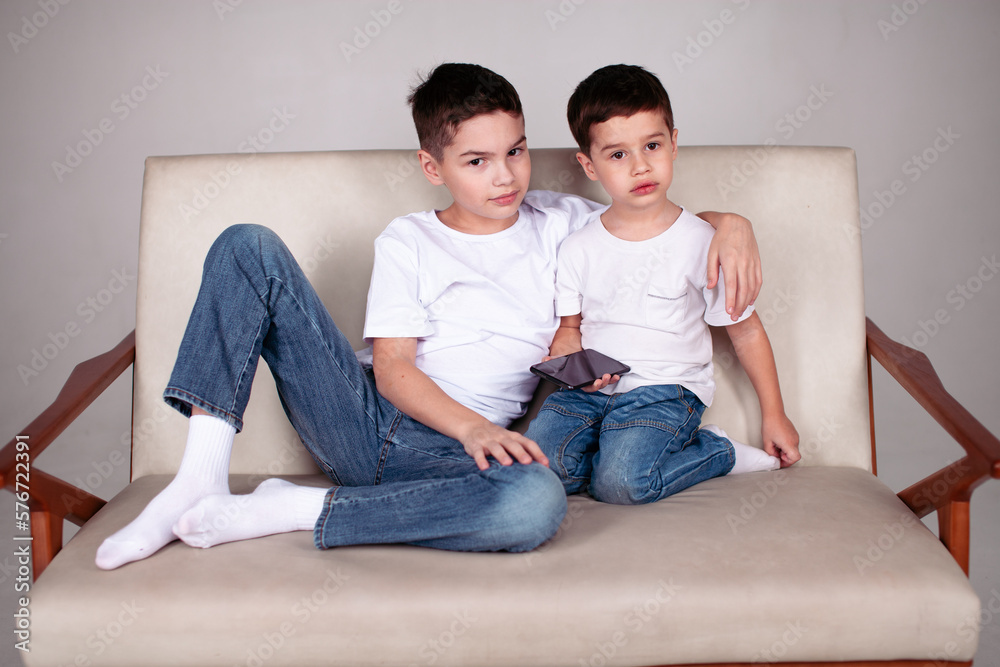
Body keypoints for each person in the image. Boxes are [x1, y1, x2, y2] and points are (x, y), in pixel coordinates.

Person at [95, 63, 763, 570]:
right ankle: (198, 478)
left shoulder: (564, 222)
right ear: (433, 166)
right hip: (362, 419)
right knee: (248, 245)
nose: (505, 177)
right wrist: (472, 426)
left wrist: (729, 223)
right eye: (477, 161)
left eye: (516, 151)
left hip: (452, 461)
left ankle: (292, 508)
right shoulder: (410, 239)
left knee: (537, 500)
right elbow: (392, 369)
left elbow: (653, 219)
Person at [524, 64, 801, 506]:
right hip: (591, 392)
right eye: (617, 155)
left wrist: (775, 414)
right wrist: (569, 356)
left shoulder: (702, 242)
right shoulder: (577, 246)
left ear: (673, 143)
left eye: (651, 145)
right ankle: (609, 454)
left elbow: (745, 330)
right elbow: (569, 328)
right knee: (538, 472)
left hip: (665, 393)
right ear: (588, 165)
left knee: (620, 484)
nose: (639, 166)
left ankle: (719, 452)